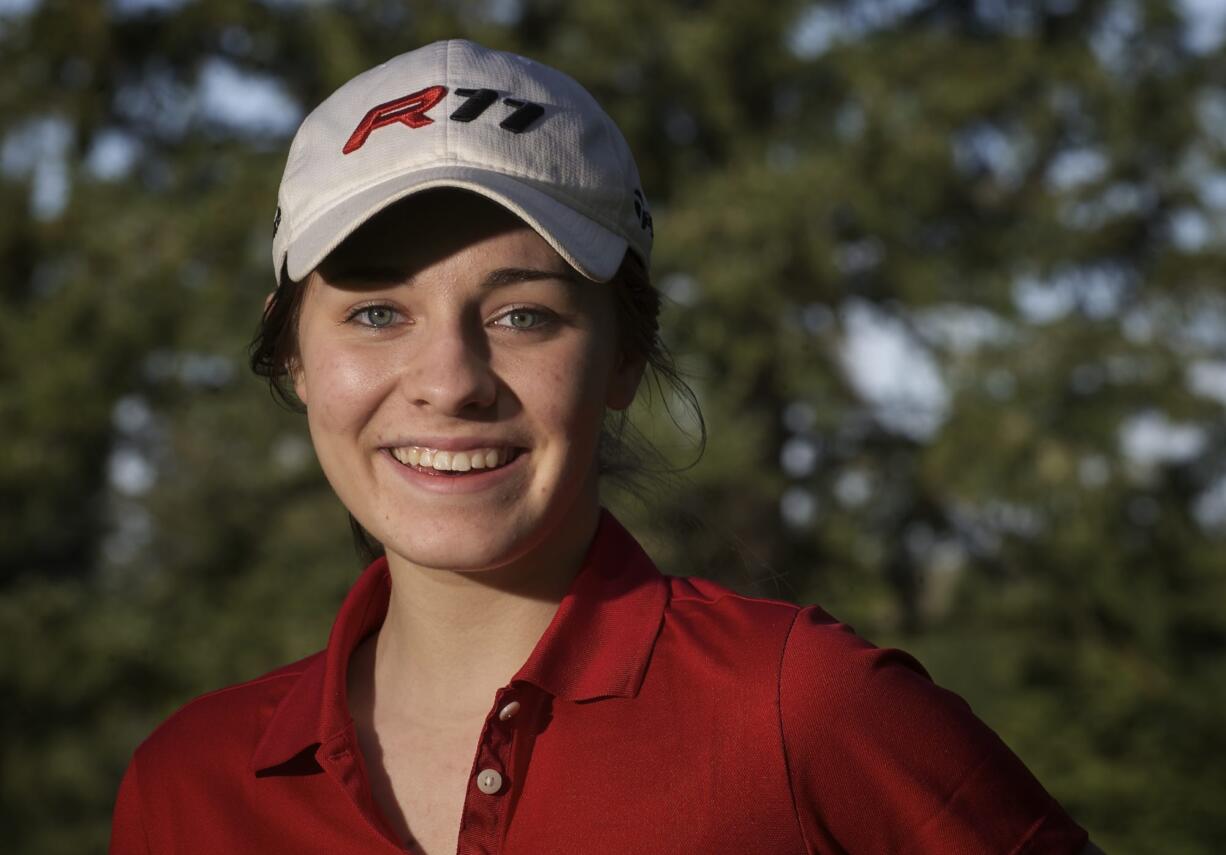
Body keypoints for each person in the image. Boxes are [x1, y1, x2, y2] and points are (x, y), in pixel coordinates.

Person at [110, 39, 1102, 854]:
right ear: (291, 354)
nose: (449, 379)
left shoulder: (803, 708)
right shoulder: (188, 786)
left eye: (523, 316)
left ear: (625, 355)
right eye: (375, 313)